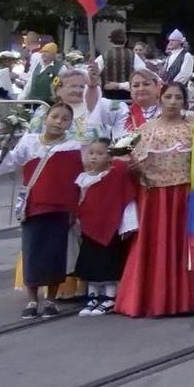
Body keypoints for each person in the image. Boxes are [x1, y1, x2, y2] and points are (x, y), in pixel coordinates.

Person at [117, 81, 194, 318]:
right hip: (154, 196)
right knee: (155, 244)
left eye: (177, 98)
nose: (172, 102)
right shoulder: (145, 128)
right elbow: (129, 161)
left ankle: (186, 296)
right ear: (160, 99)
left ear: (184, 101)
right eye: (168, 97)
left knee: (181, 245)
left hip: (184, 193)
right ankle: (149, 297)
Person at [0, 99, 84, 318]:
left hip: (60, 207)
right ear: (46, 118)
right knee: (32, 251)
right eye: (55, 117)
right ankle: (33, 300)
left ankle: (51, 299)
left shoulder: (73, 147)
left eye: (65, 119)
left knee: (55, 253)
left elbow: (77, 178)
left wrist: (75, 208)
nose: (58, 122)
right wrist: (5, 145)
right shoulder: (30, 142)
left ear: (70, 123)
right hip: (34, 205)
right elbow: (10, 162)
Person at [73, 135, 138, 316]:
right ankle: (92, 296)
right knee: (90, 262)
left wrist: (129, 225)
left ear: (110, 157)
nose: (94, 157)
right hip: (89, 227)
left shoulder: (116, 175)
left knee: (108, 262)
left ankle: (109, 297)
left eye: (100, 153)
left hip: (109, 226)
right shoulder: (83, 178)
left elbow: (127, 199)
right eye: (91, 153)